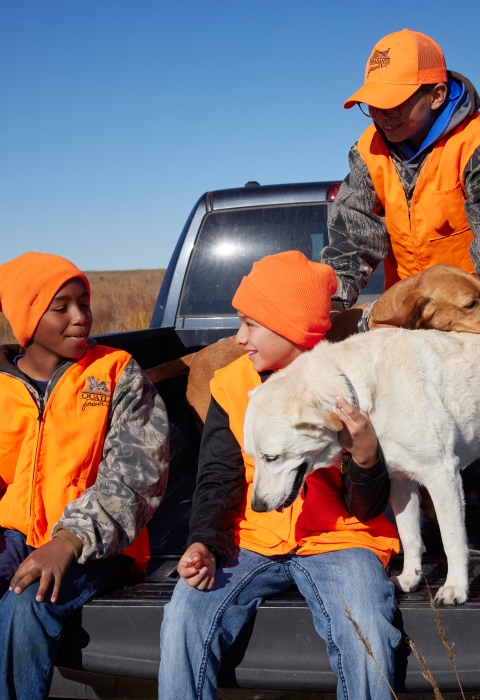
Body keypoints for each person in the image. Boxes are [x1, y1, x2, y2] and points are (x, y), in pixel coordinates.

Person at [159, 251, 400, 700]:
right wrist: (205, 542)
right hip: (249, 538)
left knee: (366, 626)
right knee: (184, 618)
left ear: (291, 327)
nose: (239, 337)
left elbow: (366, 506)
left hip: (341, 539)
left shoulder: (349, 385)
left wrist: (366, 458)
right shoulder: (231, 385)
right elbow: (217, 477)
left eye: (250, 324)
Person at [0, 252, 169, 700]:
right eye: (62, 307)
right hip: (15, 532)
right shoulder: (2, 386)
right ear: (27, 319)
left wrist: (67, 541)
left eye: (85, 303)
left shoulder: (116, 373)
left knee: (27, 601)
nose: (81, 318)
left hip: (95, 543)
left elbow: (138, 476)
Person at [320, 28, 480, 310]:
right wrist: (328, 307)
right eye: (372, 105)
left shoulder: (474, 143)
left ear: (437, 95)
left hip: (469, 314)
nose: (380, 116)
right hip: (407, 315)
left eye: (391, 104)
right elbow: (351, 242)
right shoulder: (368, 151)